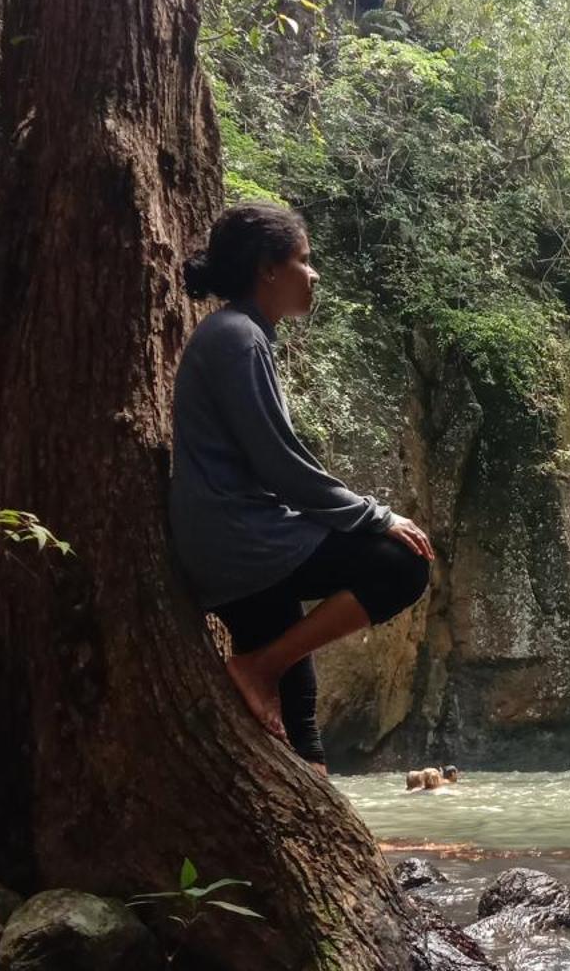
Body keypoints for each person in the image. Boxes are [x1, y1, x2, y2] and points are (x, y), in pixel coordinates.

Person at [169, 201, 433, 771]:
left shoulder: (237, 334)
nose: (314, 275)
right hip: (240, 538)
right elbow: (280, 464)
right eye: (304, 261)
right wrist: (377, 517)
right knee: (403, 565)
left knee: (298, 712)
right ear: (268, 268)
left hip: (229, 542)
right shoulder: (238, 337)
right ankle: (256, 667)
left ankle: (312, 801)